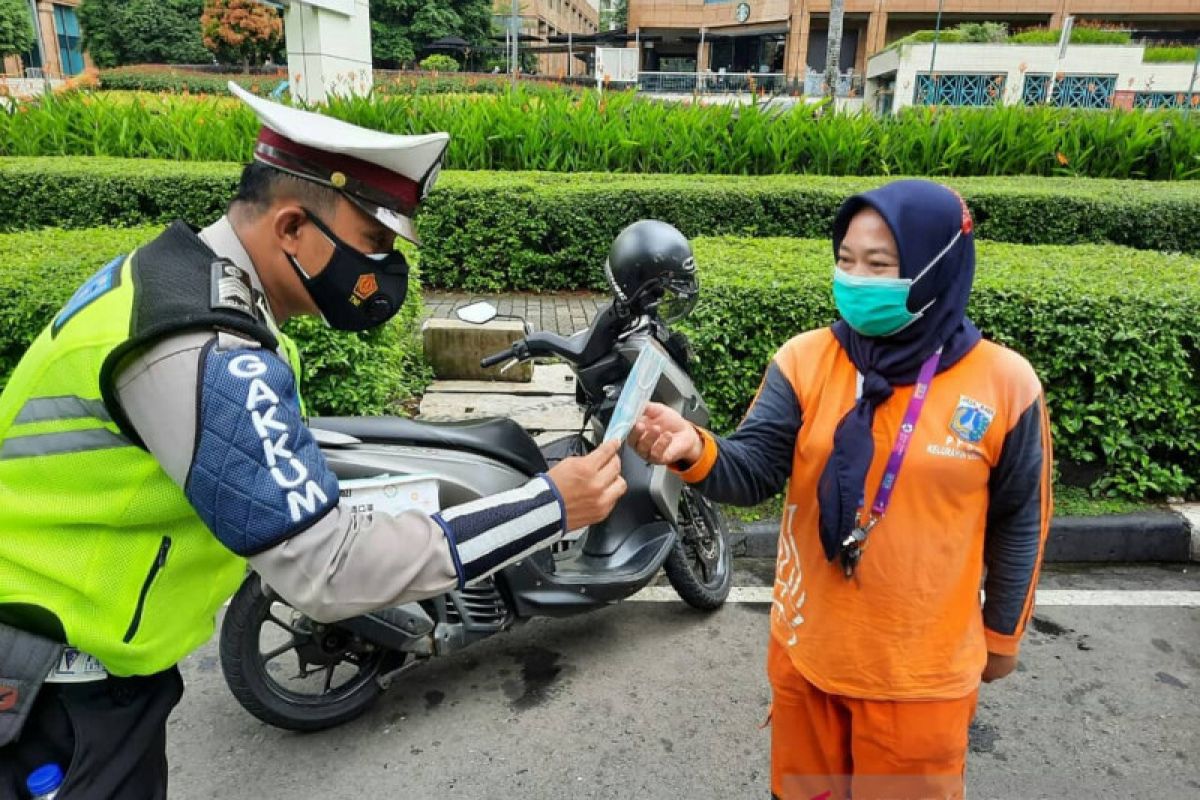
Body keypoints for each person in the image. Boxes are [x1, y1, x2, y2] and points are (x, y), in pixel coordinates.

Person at [0, 83, 626, 799]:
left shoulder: (177, 282)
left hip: (84, 670)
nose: (386, 273)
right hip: (50, 690)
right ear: (293, 227)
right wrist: (549, 508)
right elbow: (325, 572)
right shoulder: (205, 346)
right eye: (374, 245)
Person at [631, 180, 1052, 800]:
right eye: (846, 260)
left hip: (922, 684)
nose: (856, 279)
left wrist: (1002, 634)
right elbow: (756, 467)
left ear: (938, 266)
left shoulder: (1005, 385)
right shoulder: (806, 360)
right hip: (810, 663)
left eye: (880, 265)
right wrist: (696, 449)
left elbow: (1020, 520)